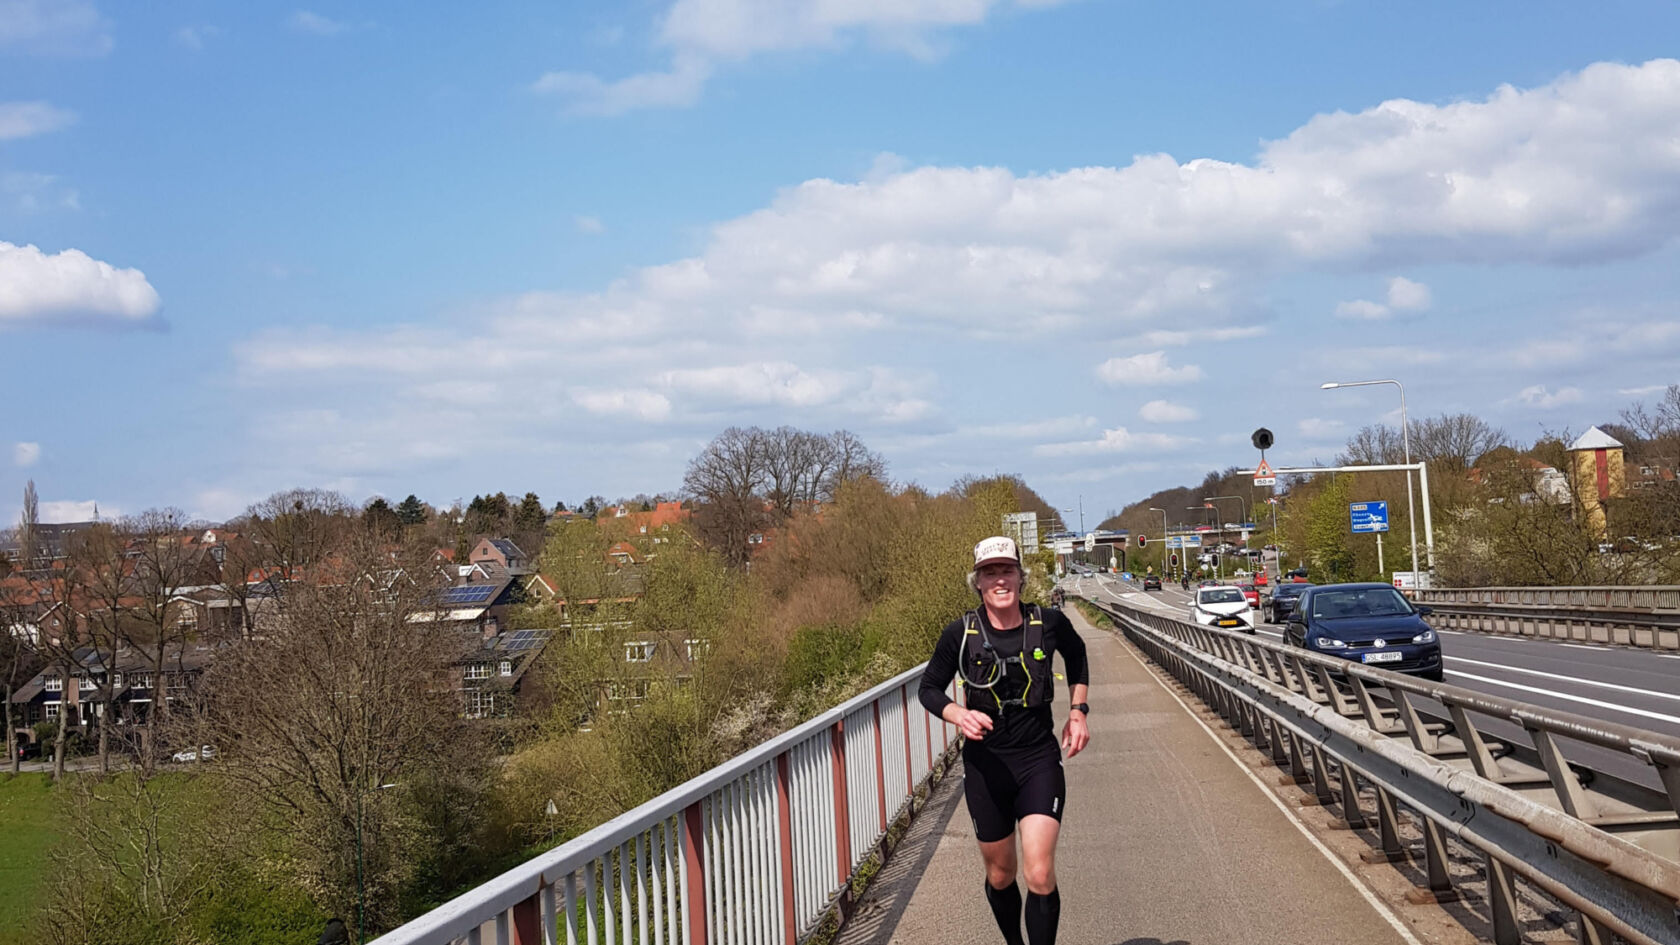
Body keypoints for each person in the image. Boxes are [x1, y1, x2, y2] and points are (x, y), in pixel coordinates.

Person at [920, 536, 1090, 945]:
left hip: (1038, 761)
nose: (1000, 579)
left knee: (1039, 873)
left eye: (1007, 571)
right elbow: (928, 689)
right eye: (990, 572)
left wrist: (1078, 711)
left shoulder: (1048, 623)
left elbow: (1078, 655)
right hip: (986, 766)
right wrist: (959, 714)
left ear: (1020, 577)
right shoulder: (960, 633)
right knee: (1000, 874)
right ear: (977, 581)